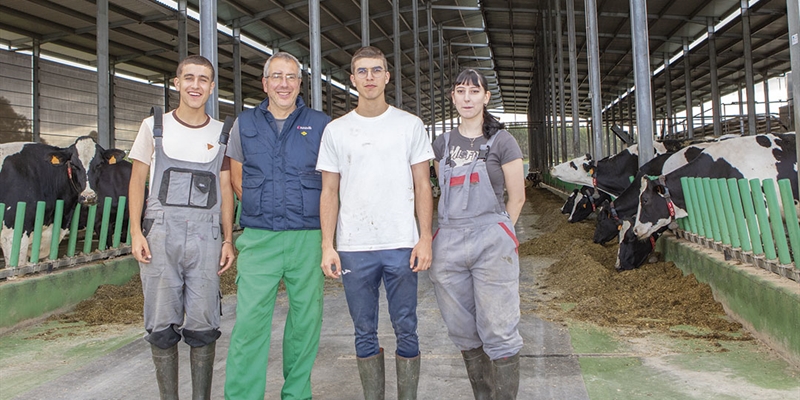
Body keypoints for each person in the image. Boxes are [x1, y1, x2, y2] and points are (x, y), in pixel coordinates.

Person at [317, 46, 434, 400]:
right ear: (352, 80)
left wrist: (425, 237)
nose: (370, 77)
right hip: (354, 247)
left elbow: (423, 185)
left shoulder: (409, 125)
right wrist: (328, 245)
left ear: (387, 76)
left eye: (376, 70)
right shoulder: (337, 130)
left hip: (401, 243)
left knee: (406, 327)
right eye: (362, 71)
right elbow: (329, 191)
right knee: (363, 330)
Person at [224, 51, 331, 400]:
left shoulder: (321, 124)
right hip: (259, 238)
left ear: (300, 83)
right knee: (250, 324)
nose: (283, 84)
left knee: (305, 323)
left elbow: (332, 183)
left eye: (291, 77)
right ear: (265, 82)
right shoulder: (244, 124)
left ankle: (297, 394)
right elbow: (237, 180)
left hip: (308, 236)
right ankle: (242, 395)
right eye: (276, 77)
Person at [128, 54, 236, 400]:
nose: (195, 85)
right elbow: (137, 181)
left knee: (204, 324)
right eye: (189, 78)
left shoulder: (222, 133)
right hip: (160, 234)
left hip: (206, 237)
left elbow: (225, 188)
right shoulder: (153, 126)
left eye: (203, 79)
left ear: (211, 86)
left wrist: (228, 239)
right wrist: (135, 232)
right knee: (161, 325)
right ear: (176, 83)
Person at [430, 68, 525, 400]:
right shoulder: (441, 144)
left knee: (499, 328)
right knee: (463, 330)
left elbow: (518, 196)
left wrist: (503, 233)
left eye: (474, 92)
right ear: (453, 97)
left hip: (491, 239)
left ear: (486, 97)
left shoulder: (503, 141)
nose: (467, 98)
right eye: (460, 91)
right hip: (450, 240)